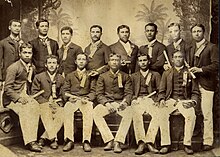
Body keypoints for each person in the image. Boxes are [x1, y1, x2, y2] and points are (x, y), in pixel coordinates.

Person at [157, 50, 200, 155]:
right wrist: (162, 99)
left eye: (180, 57)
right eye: (176, 57)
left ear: (183, 59)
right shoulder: (167, 73)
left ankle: (187, 144)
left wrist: (193, 102)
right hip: (171, 100)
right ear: (172, 59)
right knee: (162, 114)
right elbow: (161, 91)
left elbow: (195, 92)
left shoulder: (190, 73)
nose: (178, 59)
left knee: (191, 115)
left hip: (185, 100)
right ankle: (165, 144)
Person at [3, 43, 41, 152]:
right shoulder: (13, 67)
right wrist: (19, 98)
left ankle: (34, 138)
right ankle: (30, 141)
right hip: (11, 99)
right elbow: (8, 88)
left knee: (36, 106)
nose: (27, 55)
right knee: (26, 109)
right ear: (20, 53)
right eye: (25, 52)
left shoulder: (32, 67)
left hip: (26, 96)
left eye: (29, 53)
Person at [93, 53, 133, 153]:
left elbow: (128, 93)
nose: (114, 62)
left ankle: (118, 141)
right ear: (109, 62)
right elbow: (99, 94)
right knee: (96, 112)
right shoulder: (102, 76)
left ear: (120, 62)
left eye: (116, 60)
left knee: (129, 113)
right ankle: (109, 139)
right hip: (107, 103)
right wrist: (106, 103)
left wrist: (124, 102)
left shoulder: (125, 76)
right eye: (112, 60)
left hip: (120, 103)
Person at [189, 24, 219, 151]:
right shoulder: (191, 48)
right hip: (193, 85)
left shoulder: (212, 47)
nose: (196, 33)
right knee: (194, 112)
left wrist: (201, 69)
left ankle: (208, 141)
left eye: (199, 31)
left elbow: (216, 65)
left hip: (207, 84)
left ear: (204, 32)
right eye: (194, 31)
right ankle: (193, 140)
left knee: (207, 113)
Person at [62, 52, 96, 152]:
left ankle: (86, 141)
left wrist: (88, 98)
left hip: (85, 100)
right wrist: (68, 98)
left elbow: (94, 91)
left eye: (83, 59)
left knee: (89, 109)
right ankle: (69, 140)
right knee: (67, 108)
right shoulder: (70, 75)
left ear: (86, 62)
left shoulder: (90, 75)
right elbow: (65, 90)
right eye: (79, 59)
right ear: (76, 62)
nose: (81, 61)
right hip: (73, 99)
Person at [31, 55, 65, 149]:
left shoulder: (61, 78)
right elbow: (34, 93)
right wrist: (46, 102)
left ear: (57, 65)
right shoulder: (39, 77)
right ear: (46, 65)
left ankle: (43, 137)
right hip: (43, 104)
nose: (51, 65)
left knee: (63, 113)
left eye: (54, 63)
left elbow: (63, 94)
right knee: (46, 110)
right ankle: (53, 139)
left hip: (56, 104)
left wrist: (58, 102)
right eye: (49, 63)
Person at [131, 53, 161, 155]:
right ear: (138, 63)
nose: (143, 63)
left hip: (151, 100)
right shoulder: (134, 76)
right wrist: (134, 99)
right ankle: (141, 142)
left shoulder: (155, 75)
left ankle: (149, 142)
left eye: (144, 60)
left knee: (158, 114)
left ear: (148, 61)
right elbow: (130, 92)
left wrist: (157, 101)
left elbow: (160, 91)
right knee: (136, 114)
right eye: (141, 61)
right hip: (138, 100)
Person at [0, 19, 23, 94]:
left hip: (19, 77)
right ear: (9, 27)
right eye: (15, 26)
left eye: (19, 26)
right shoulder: (3, 43)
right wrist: (0, 79)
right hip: (7, 76)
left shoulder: (22, 43)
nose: (17, 28)